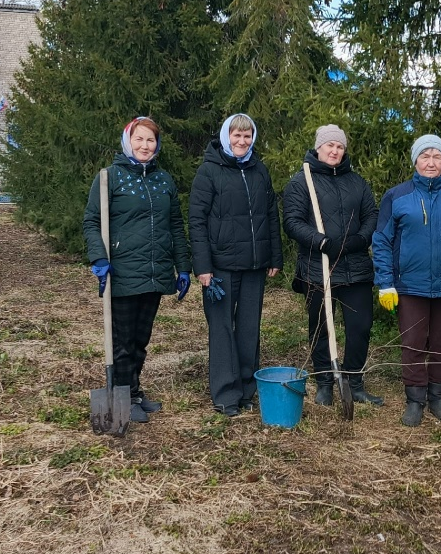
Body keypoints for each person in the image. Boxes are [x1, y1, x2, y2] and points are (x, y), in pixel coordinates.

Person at [83, 117, 192, 424]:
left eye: (151, 140)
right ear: (127, 141)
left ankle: (134, 390)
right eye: (139, 139)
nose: (145, 146)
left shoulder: (164, 180)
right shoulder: (109, 177)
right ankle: (123, 395)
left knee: (141, 339)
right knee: (123, 341)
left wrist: (183, 267)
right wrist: (99, 258)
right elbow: (92, 221)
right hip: (123, 271)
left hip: (156, 272)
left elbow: (175, 225)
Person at [372, 134, 441, 426]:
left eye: (437, 157)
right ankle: (415, 399)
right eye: (425, 156)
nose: (431, 162)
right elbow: (381, 240)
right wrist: (385, 283)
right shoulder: (397, 196)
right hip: (410, 285)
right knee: (413, 343)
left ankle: (438, 396)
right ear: (415, 161)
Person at [189, 113, 283, 416]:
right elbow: (197, 220)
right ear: (225, 137)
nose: (242, 141)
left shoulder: (259, 170)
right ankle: (225, 394)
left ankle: (245, 389)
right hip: (220, 267)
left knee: (248, 328)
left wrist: (274, 256)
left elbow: (271, 214)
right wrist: (203, 266)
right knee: (221, 329)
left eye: (247, 135)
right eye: (236, 135)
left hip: (254, 265)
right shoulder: (209, 171)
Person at [282, 125, 382, 407]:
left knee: (360, 326)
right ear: (319, 148)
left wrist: (359, 240)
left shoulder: (357, 182)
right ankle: (325, 382)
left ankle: (354, 382)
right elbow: (292, 222)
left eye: (340, 146)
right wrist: (322, 242)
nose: (335, 151)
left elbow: (371, 215)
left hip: (356, 266)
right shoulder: (301, 182)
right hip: (317, 267)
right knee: (321, 328)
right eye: (330, 146)